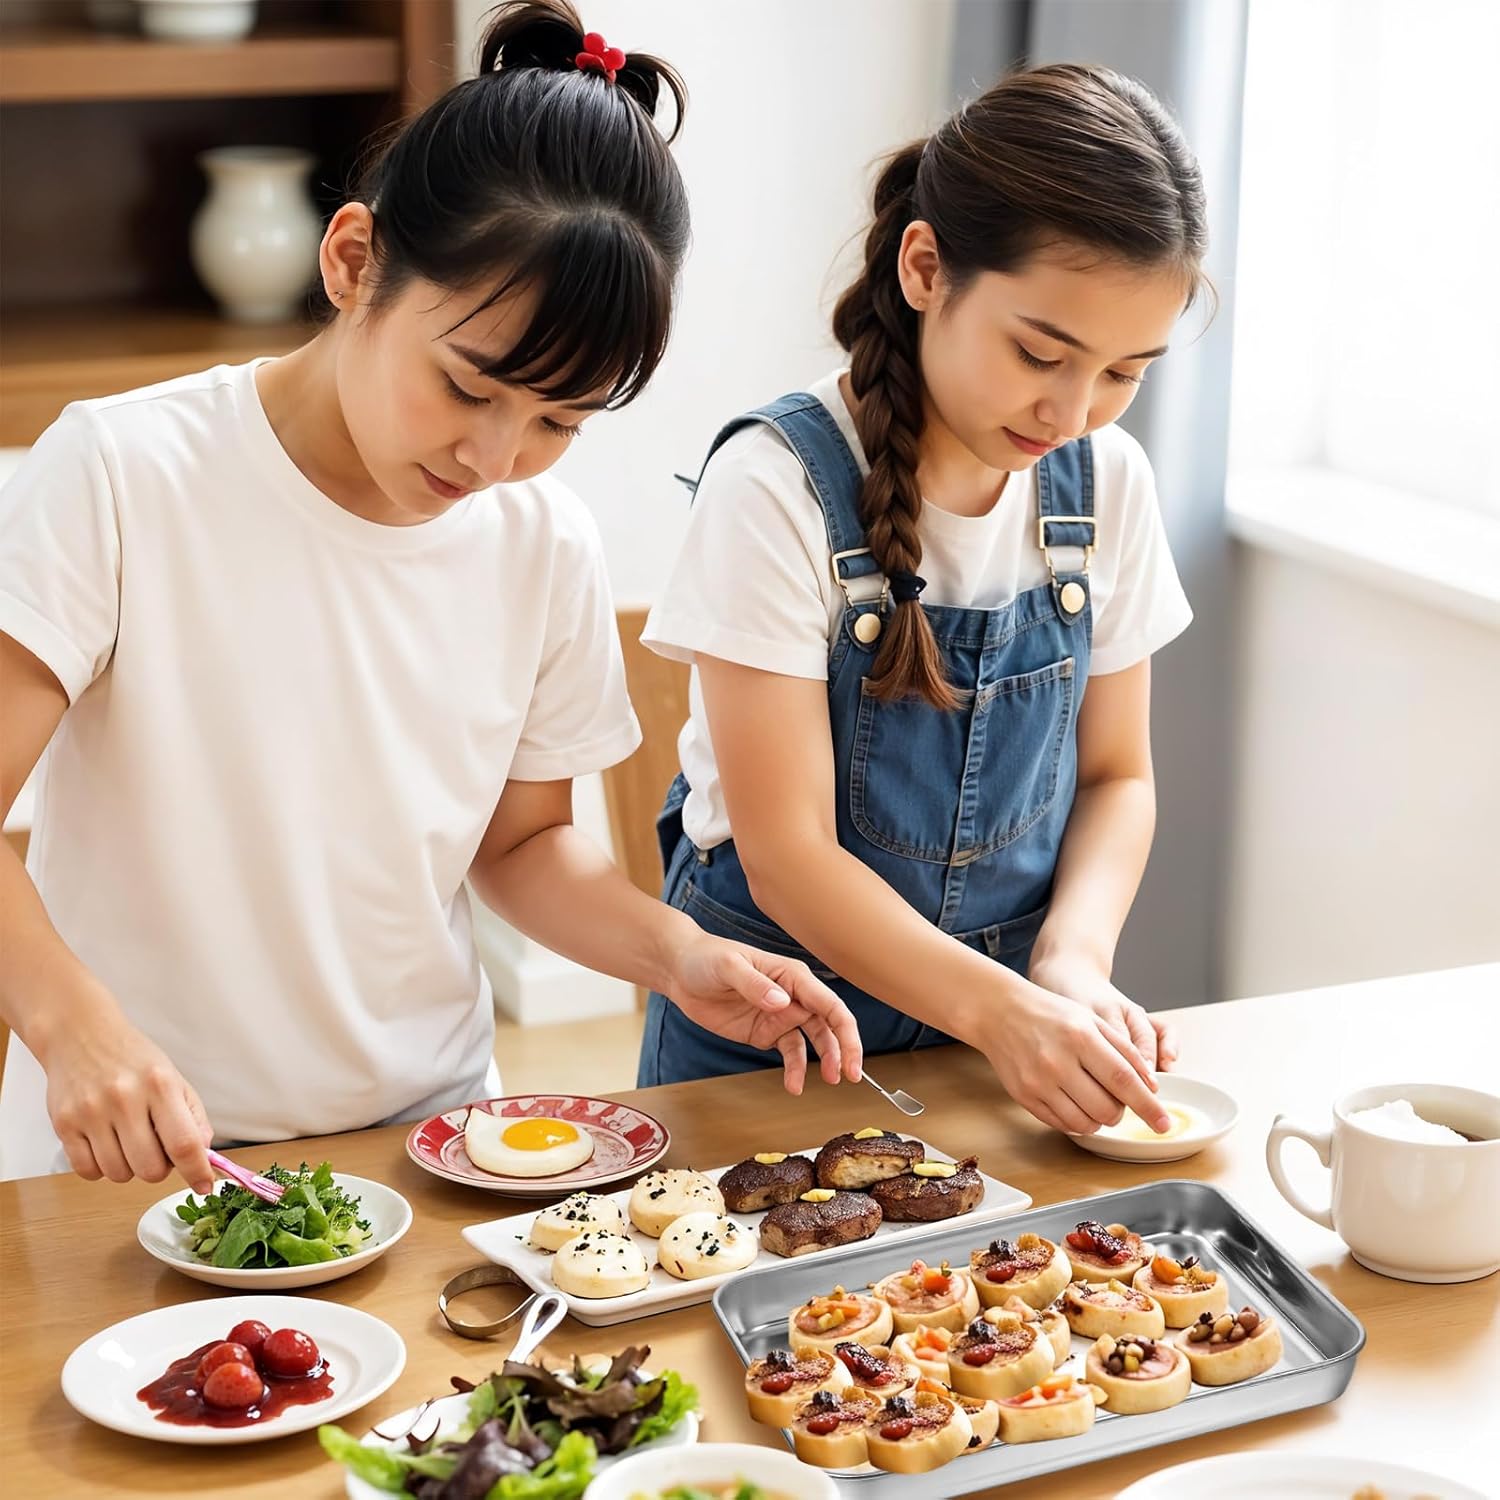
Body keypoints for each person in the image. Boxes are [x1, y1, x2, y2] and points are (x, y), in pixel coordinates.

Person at [0, 0, 860, 1191]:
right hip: (141, 1152)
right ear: (353, 262)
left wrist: (679, 954)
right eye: (470, 386)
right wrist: (71, 1030)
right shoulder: (122, 471)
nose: (495, 457)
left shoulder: (541, 539)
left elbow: (523, 844)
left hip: (429, 1151)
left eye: (559, 419)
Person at [638, 62, 1205, 1136]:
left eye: (1126, 371)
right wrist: (1009, 1014)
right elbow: (790, 856)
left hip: (1001, 1039)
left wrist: (1070, 965)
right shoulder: (775, 486)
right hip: (777, 1041)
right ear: (926, 267)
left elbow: (1120, 775)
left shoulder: (1107, 484)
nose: (1073, 409)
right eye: (1042, 351)